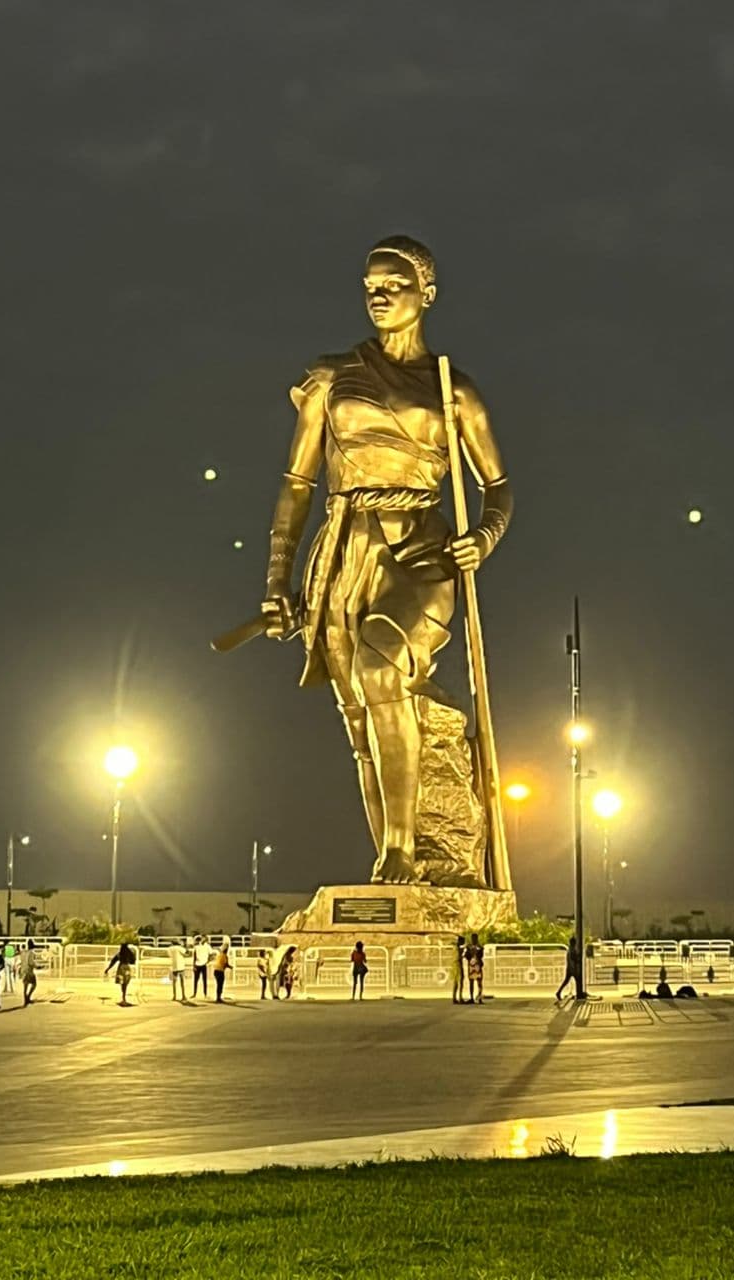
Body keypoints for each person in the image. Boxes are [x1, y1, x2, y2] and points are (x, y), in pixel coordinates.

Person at [258, 236, 513, 890]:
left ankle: (404, 848)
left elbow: (499, 489)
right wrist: (276, 582)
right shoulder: (331, 377)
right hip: (344, 548)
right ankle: (389, 860)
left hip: (420, 551)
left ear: (426, 293)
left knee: (381, 669)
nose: (377, 292)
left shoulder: (453, 389)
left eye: (393, 281)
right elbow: (296, 484)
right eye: (369, 282)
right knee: (357, 718)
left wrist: (481, 538)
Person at [104, 941, 136, 1006]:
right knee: (125, 984)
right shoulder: (129, 953)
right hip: (127, 968)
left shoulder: (120, 954)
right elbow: (133, 961)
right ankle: (124, 998)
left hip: (121, 968)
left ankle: (123, 998)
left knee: (122, 984)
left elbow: (113, 961)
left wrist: (108, 969)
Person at [556, 936, 582, 1002]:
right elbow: (575, 959)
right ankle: (578, 994)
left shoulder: (570, 949)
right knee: (578, 981)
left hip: (569, 968)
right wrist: (579, 958)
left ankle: (558, 992)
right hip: (573, 968)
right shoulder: (572, 950)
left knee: (566, 981)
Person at [464, 933, 484, 1005]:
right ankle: (472, 997)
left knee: (479, 982)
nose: (474, 940)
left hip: (477, 965)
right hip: (472, 966)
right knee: (471, 982)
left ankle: (479, 998)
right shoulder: (469, 947)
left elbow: (481, 955)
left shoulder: (480, 947)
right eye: (473, 938)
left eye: (475, 938)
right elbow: (466, 955)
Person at [19, 939, 39, 1006]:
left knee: (25, 986)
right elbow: (31, 962)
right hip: (29, 971)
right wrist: (37, 966)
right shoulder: (31, 953)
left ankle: (25, 999)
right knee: (34, 984)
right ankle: (28, 997)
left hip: (23, 970)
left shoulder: (22, 952)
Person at [451, 935, 466, 1004]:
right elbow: (457, 957)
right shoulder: (457, 948)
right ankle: (460, 997)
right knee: (460, 982)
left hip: (455, 965)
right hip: (457, 965)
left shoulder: (456, 947)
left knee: (456, 982)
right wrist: (463, 954)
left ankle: (454, 997)